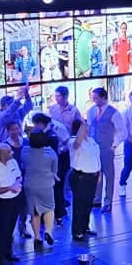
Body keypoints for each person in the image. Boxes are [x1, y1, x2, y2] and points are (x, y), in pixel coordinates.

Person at [87, 87, 125, 213]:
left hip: (107, 149)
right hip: (94, 149)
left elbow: (123, 132)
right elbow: (89, 128)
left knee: (109, 175)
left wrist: (114, 145)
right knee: (96, 174)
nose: (94, 100)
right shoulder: (91, 111)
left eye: (96, 98)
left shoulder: (114, 113)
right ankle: (96, 199)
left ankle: (108, 201)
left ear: (103, 98)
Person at [49, 85, 83, 222]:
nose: (56, 98)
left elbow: (79, 127)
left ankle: (61, 201)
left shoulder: (74, 111)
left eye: (58, 96)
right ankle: (59, 201)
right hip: (54, 147)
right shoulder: (52, 109)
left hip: (67, 148)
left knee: (63, 176)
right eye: (55, 96)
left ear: (65, 96)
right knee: (55, 176)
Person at [22, 131, 59, 251]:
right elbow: (54, 170)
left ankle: (37, 237)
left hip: (30, 186)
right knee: (49, 209)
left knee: (35, 212)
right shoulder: (50, 152)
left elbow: (23, 167)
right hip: (46, 185)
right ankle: (48, 231)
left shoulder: (25, 151)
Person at [68, 120, 100, 241]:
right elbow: (76, 144)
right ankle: (77, 231)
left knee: (88, 204)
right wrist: (81, 130)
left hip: (93, 176)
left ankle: (85, 226)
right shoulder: (73, 142)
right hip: (80, 177)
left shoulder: (92, 141)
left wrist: (99, 173)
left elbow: (97, 157)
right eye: (84, 127)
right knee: (79, 205)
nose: (87, 129)